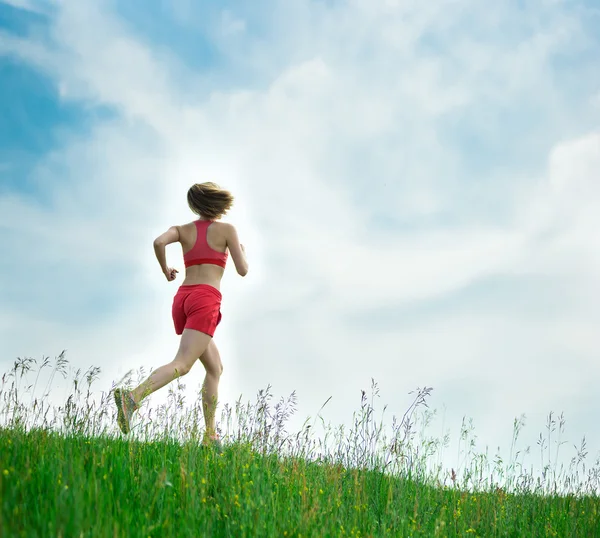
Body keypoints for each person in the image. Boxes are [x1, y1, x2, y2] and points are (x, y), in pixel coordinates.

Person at [113, 182, 248, 448]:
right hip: (205, 299)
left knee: (215, 368)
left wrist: (165, 270)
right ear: (218, 203)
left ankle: (210, 436)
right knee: (183, 364)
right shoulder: (227, 230)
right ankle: (133, 398)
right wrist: (240, 250)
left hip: (183, 298)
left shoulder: (182, 230)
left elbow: (158, 242)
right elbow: (242, 270)